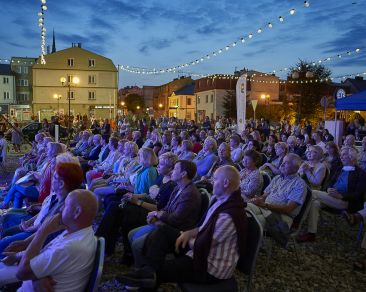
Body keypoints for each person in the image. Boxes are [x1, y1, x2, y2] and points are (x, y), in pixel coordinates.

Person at [118, 165, 247, 289]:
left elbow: (202, 246)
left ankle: (147, 274)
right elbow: (205, 228)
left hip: (211, 267)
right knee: (162, 232)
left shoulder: (229, 215)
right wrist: (189, 233)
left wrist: (185, 237)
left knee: (159, 270)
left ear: (225, 183)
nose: (212, 182)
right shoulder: (220, 200)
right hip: (201, 249)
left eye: (215, 179)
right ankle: (147, 272)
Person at [0, 189, 98, 291]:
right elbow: (48, 256)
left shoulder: (72, 246)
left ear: (76, 212)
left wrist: (42, 232)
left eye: (65, 205)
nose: (60, 209)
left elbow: (22, 273)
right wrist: (19, 256)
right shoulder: (77, 230)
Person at [0, 162, 84, 259]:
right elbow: (44, 224)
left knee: (3, 244)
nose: (51, 180)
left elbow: (46, 235)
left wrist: (22, 249)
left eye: (54, 177)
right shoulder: (60, 198)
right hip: (36, 234)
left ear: (61, 184)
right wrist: (26, 239)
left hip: (40, 244)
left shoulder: (66, 207)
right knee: (6, 230)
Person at [298, 147, 366, 242]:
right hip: (331, 198)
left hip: (346, 202)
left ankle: (297, 220)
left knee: (313, 193)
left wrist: (341, 195)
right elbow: (329, 183)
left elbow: (358, 194)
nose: (341, 157)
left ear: (352, 157)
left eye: (344, 155)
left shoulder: (360, 173)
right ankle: (311, 233)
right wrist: (329, 189)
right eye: (341, 154)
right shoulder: (339, 169)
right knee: (315, 203)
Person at [247, 153, 307, 229]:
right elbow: (264, 196)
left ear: (296, 168)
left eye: (286, 163)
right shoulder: (277, 178)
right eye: (283, 162)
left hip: (281, 216)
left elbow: (288, 209)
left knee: (250, 220)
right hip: (266, 209)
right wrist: (257, 199)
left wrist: (265, 205)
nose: (282, 165)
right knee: (243, 209)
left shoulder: (299, 184)